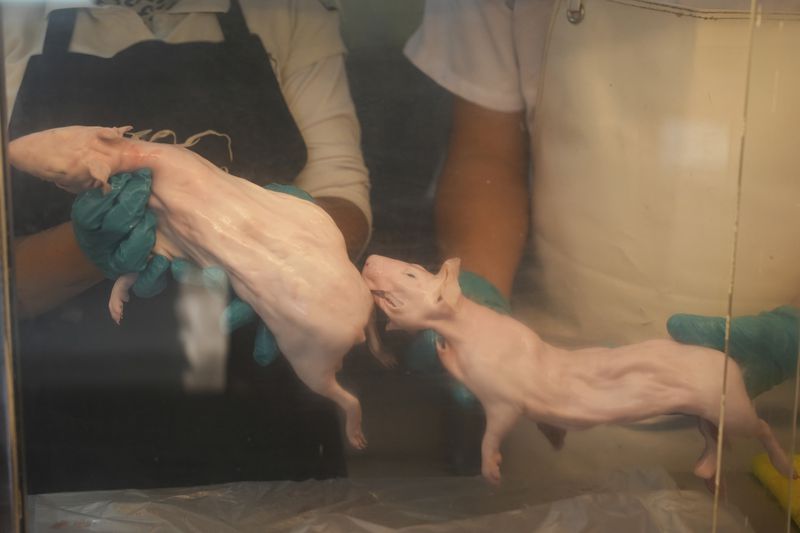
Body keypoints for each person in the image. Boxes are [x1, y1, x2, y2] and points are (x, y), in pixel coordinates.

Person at [5, 0, 371, 491]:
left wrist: (285, 237)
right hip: (78, 416)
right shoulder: (16, 18)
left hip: (269, 405)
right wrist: (98, 244)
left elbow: (343, 191)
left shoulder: (286, 12)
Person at [403, 0, 800, 395]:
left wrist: (791, 334)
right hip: (558, 381)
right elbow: (486, 154)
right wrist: (473, 305)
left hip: (789, 402)